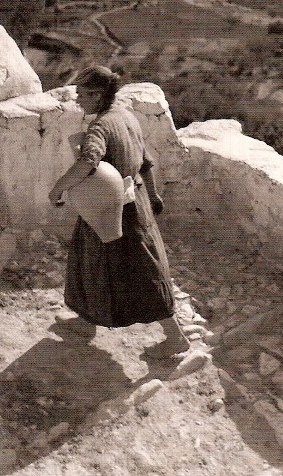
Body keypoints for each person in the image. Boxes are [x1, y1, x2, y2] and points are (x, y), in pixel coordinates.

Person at [48, 65, 190, 358]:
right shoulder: (127, 116)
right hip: (133, 202)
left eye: (82, 94)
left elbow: (89, 160)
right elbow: (145, 161)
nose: (76, 100)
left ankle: (175, 338)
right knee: (89, 261)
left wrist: (58, 188)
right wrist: (152, 195)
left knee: (142, 271)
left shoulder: (100, 127)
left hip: (111, 210)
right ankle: (86, 321)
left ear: (98, 96)